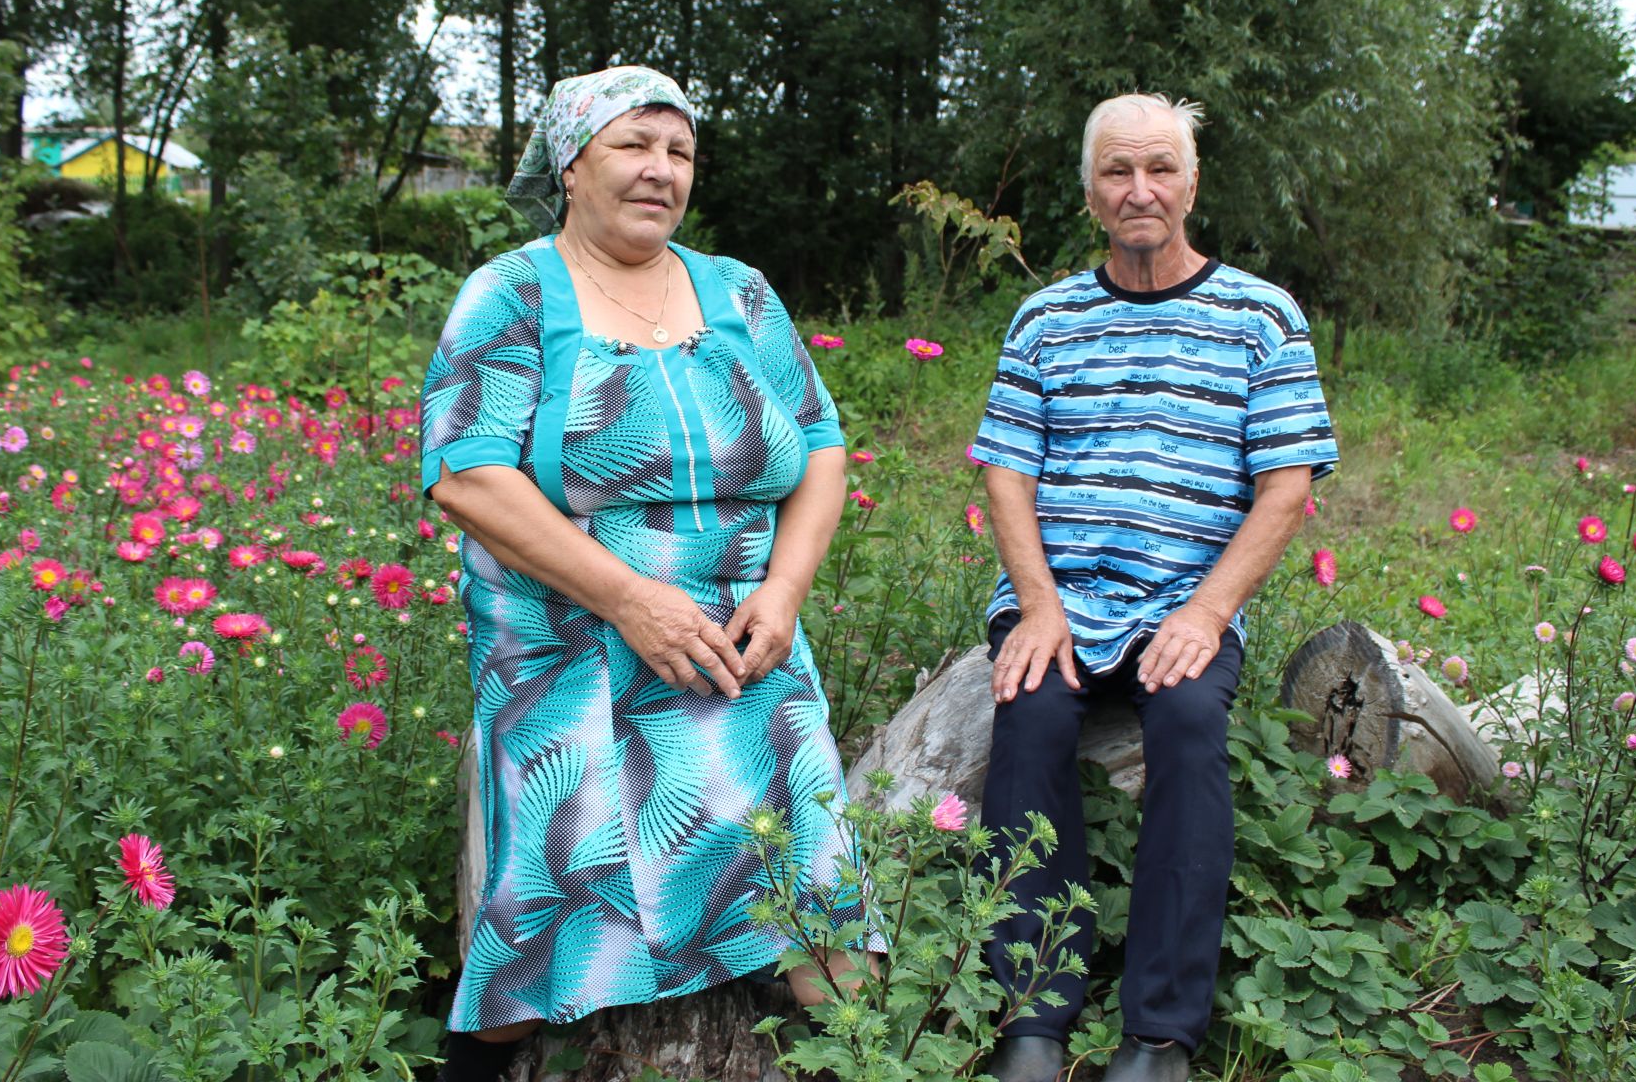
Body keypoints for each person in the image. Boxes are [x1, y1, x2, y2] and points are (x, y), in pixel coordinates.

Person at [420, 66, 871, 1081]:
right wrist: (630, 599)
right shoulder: (513, 293)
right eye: (635, 144)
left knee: (824, 924)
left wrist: (786, 593)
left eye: (679, 151)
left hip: (745, 645)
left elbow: (821, 440)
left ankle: (860, 1054)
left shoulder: (740, 291)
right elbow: (466, 473)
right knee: (548, 922)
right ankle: (479, 1058)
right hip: (572, 646)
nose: (660, 170)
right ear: (571, 163)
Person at [971, 94, 1338, 1082]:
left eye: (1160, 169)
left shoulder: (1261, 315)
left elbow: (1286, 486)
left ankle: (1162, 1031)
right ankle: (1036, 1008)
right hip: (1064, 593)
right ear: (1090, 192)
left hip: (1187, 597)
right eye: (1117, 172)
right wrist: (1039, 603)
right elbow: (1007, 470)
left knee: (1184, 721)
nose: (1141, 190)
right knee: (1032, 709)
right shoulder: (1047, 317)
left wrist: (1209, 610)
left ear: (1192, 182)